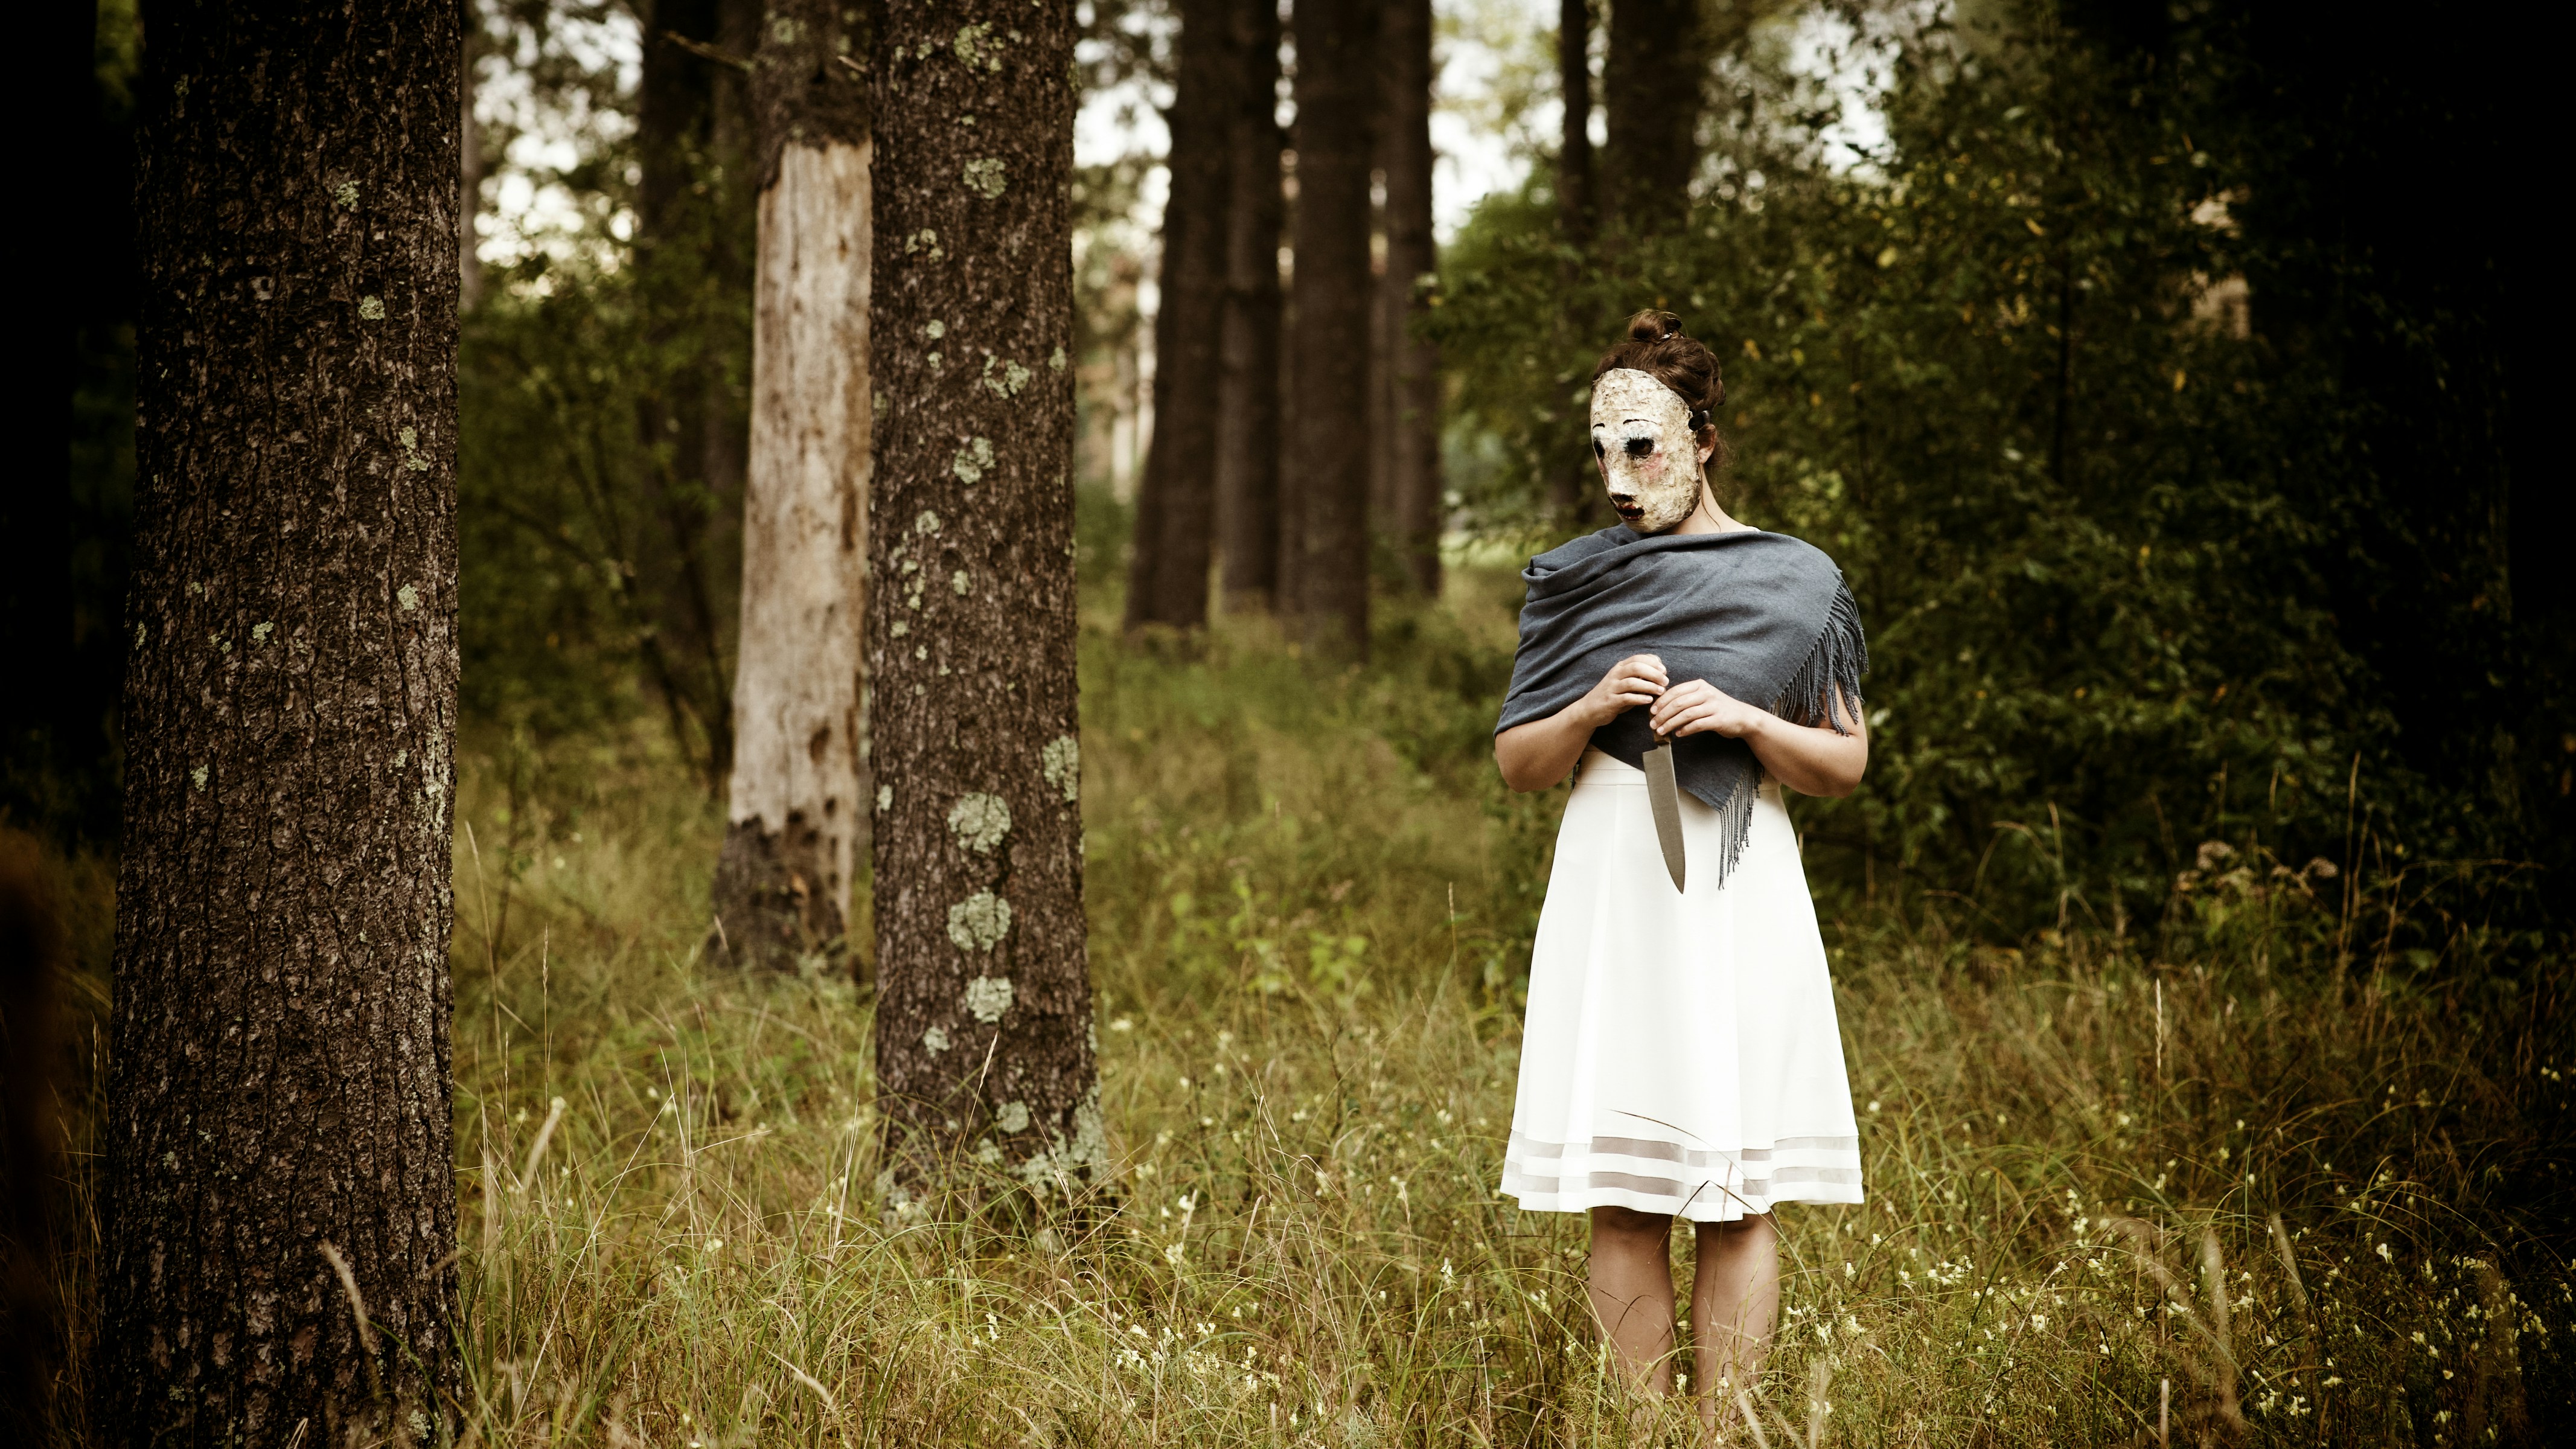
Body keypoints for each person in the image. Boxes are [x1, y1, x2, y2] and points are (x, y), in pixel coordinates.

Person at [1493, 309, 1870, 1433]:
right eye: (1601, 447)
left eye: (1643, 445)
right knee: (1622, 1193)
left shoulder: (1794, 579)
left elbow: (1844, 768)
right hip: (1615, 878)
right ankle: (1645, 1435)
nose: (1619, 475)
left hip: (1737, 884)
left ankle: (1726, 1435)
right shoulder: (1574, 583)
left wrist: (1751, 718)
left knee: (1734, 1191)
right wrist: (1596, 702)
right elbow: (1518, 763)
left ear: (1704, 438)